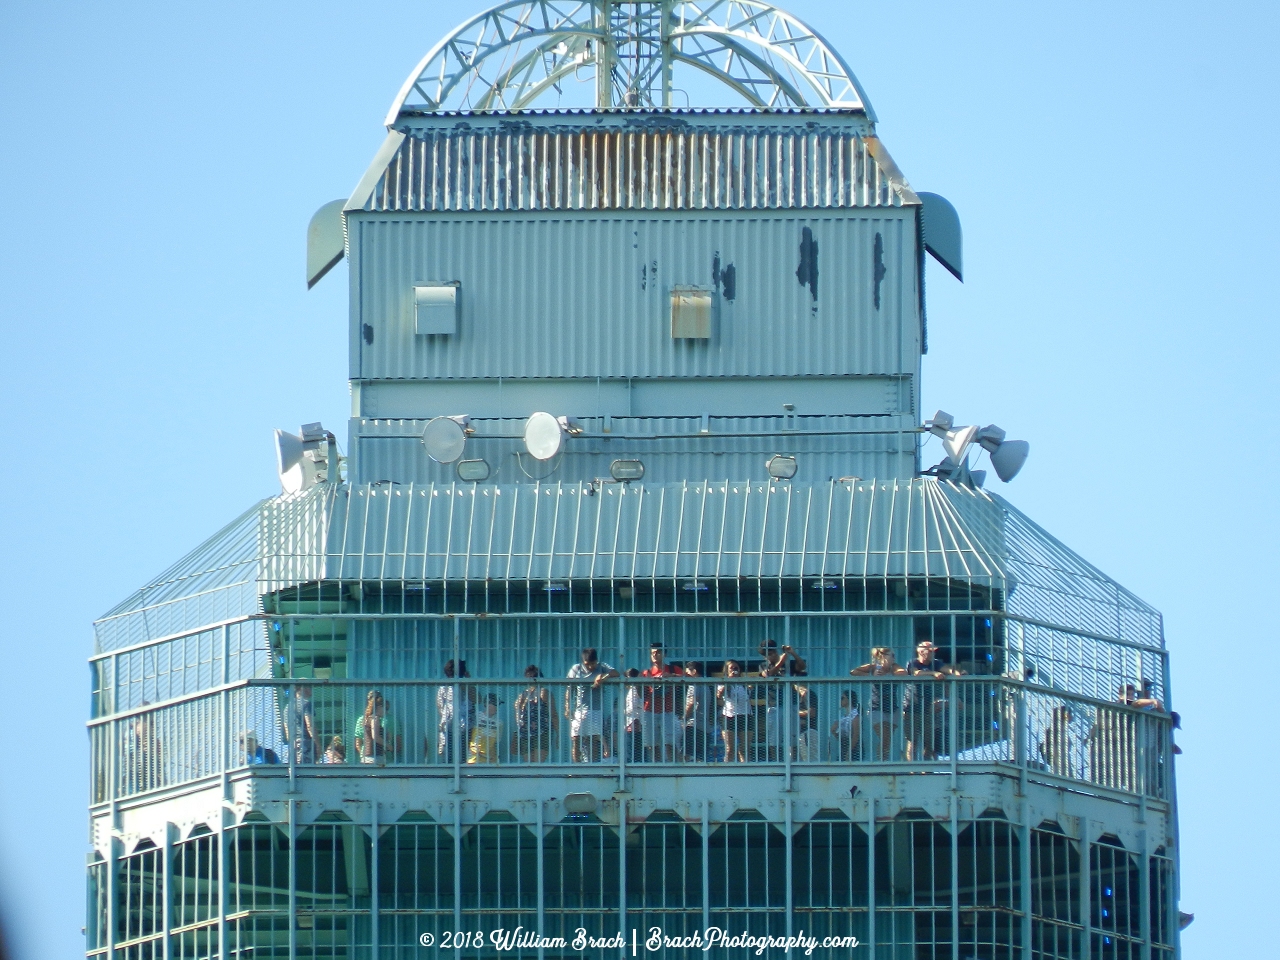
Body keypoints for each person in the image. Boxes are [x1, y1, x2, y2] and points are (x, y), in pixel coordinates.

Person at [902, 640, 964, 761]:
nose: (932, 654)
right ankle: (912, 770)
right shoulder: (913, 663)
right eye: (930, 651)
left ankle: (926, 770)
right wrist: (934, 673)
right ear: (921, 652)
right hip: (911, 708)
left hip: (927, 709)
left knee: (929, 743)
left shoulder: (936, 663)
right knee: (912, 742)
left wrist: (958, 673)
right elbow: (916, 673)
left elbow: (948, 670)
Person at [850, 647, 906, 760]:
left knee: (887, 739)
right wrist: (871, 676)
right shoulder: (873, 667)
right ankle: (881, 762)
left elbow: (903, 673)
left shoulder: (894, 667)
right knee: (884, 736)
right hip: (876, 708)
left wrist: (888, 676)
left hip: (892, 709)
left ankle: (884, 761)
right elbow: (853, 671)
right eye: (891, 655)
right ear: (882, 657)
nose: (894, 658)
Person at [565, 648, 619, 762]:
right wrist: (567, 707)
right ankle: (577, 768)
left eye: (593, 664)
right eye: (587, 664)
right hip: (579, 710)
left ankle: (592, 765)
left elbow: (616, 673)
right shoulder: (576, 669)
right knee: (576, 739)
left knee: (594, 739)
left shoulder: (602, 666)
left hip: (596, 710)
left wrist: (603, 676)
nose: (591, 667)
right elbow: (569, 688)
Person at [758, 640, 807, 760]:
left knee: (793, 735)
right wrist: (781, 661)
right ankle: (776, 761)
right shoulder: (763, 665)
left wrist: (792, 653)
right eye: (768, 653)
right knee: (774, 736)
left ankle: (793, 761)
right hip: (775, 705)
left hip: (791, 704)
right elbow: (768, 674)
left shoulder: (788, 664)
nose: (772, 655)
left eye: (773, 652)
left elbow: (802, 666)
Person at [641, 643, 684, 762]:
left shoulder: (673, 669)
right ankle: (656, 766)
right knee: (651, 744)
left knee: (669, 742)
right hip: (649, 710)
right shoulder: (646, 673)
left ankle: (672, 766)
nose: (655, 655)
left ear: (664, 654)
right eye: (652, 653)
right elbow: (642, 694)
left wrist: (671, 677)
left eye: (658, 652)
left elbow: (687, 678)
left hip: (668, 710)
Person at [513, 666, 558, 762]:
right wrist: (558, 733)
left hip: (527, 732)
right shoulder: (543, 692)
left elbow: (517, 712)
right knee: (538, 764)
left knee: (529, 765)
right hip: (540, 731)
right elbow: (553, 714)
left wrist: (520, 728)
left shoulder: (522, 695)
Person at [436, 659, 474, 763]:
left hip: (460, 723)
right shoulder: (444, 687)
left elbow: (440, 706)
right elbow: (440, 705)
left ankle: (452, 770)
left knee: (460, 751)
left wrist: (468, 683)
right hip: (454, 724)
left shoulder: (463, 686)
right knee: (454, 751)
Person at [354, 689, 400, 765]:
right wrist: (389, 746)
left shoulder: (367, 719)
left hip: (375, 757)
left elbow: (397, 740)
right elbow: (373, 737)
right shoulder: (373, 719)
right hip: (376, 757)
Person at [682, 661, 717, 762]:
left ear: (694, 671)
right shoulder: (706, 685)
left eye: (687, 672)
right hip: (705, 727)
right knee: (700, 757)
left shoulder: (694, 684)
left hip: (693, 724)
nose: (685, 675)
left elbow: (692, 702)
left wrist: (684, 718)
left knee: (686, 754)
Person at [717, 660, 750, 762]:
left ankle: (746, 770)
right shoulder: (723, 682)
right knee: (730, 748)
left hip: (745, 716)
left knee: (745, 748)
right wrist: (728, 680)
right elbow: (719, 695)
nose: (734, 670)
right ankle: (727, 770)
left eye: (736, 668)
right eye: (731, 668)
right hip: (729, 716)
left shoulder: (744, 683)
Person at [286, 684, 321, 764]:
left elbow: (287, 731)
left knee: (295, 773)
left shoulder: (287, 708)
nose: (311, 689)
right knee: (307, 773)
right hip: (305, 744)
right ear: (303, 688)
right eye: (310, 687)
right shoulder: (306, 704)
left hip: (293, 745)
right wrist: (317, 745)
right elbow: (310, 725)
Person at [468, 694, 503, 764]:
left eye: (498, 705)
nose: (497, 707)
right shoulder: (476, 716)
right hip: (474, 758)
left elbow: (497, 740)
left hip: (490, 759)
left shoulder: (499, 723)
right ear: (487, 704)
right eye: (495, 704)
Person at [830, 690, 861, 761]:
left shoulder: (855, 715)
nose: (840, 700)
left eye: (842, 698)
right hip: (844, 749)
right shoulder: (844, 717)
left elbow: (856, 735)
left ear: (849, 699)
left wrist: (849, 752)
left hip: (854, 750)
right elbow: (842, 738)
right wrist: (834, 731)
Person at [794, 680, 820, 761]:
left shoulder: (810, 694)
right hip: (798, 733)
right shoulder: (796, 696)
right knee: (800, 760)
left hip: (808, 732)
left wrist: (795, 713)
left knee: (810, 760)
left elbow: (812, 713)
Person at [623, 668, 645, 762]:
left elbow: (632, 706)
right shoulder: (637, 689)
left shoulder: (634, 690)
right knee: (636, 747)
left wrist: (623, 711)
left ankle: (633, 764)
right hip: (635, 721)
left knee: (632, 747)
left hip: (633, 721)